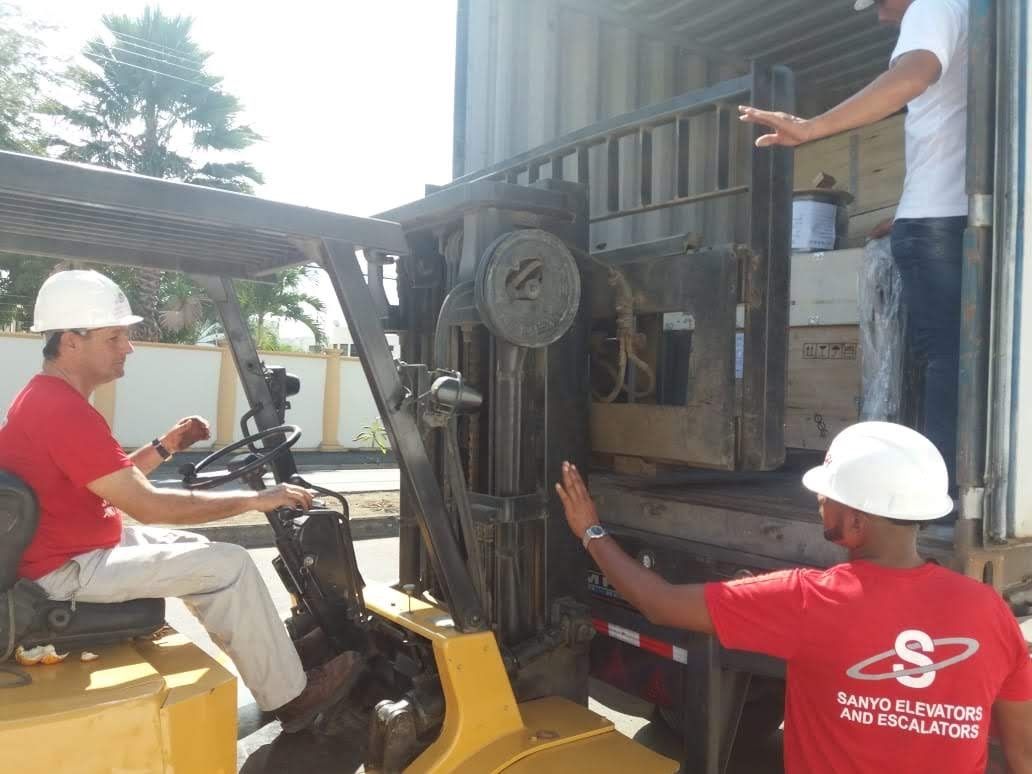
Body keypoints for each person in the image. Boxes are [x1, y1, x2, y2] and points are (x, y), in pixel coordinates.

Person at [556, 422, 1032, 773]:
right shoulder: (989, 612)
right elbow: (1021, 753)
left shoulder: (808, 600)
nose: (820, 501)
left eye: (829, 496)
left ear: (858, 523)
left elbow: (658, 602)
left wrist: (590, 530)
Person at [0, 270, 355, 733]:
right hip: (65, 568)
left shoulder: (49, 398)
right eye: (115, 337)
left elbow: (110, 480)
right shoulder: (61, 409)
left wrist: (168, 445)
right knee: (229, 564)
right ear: (71, 340)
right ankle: (291, 697)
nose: (129, 347)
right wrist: (256, 499)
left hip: (72, 547)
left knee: (192, 545)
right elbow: (147, 505)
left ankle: (272, 653)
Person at [739, 0, 969, 492]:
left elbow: (915, 73)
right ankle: (952, 489)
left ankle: (942, 496)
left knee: (950, 360)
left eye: (881, 3)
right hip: (940, 220)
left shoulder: (933, 7)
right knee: (957, 359)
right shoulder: (983, 20)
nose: (882, 17)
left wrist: (812, 127)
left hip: (937, 224)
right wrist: (905, 211)